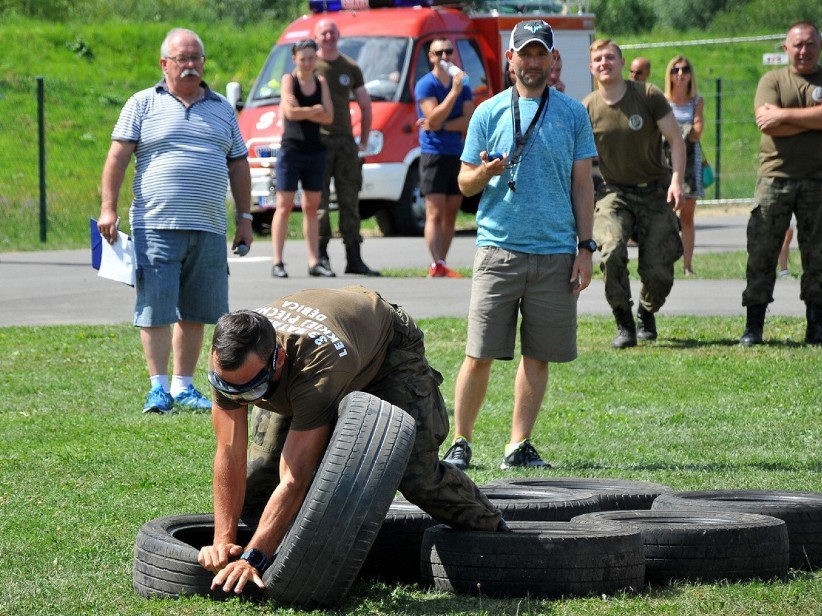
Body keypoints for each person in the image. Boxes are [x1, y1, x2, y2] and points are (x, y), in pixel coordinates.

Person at [197, 286, 506, 593]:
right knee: (261, 474)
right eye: (229, 388)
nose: (239, 398)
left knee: (415, 473)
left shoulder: (317, 370)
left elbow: (295, 478)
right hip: (328, 340)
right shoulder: (232, 360)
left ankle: (492, 527)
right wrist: (223, 541)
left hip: (386, 349)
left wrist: (253, 558)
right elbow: (229, 453)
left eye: (250, 392)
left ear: (277, 360)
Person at [441, 20, 596, 471]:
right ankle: (460, 442)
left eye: (539, 54)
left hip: (555, 252)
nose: (532, 62)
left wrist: (585, 248)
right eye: (523, 54)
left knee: (538, 355)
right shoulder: (487, 112)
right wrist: (486, 172)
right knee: (479, 353)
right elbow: (464, 183)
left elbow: (583, 185)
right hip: (498, 249)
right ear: (510, 59)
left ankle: (518, 445)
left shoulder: (572, 113)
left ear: (552, 60)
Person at [97, 28, 252, 414]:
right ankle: (158, 389)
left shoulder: (221, 109)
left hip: (210, 226)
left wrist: (245, 218)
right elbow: (117, 157)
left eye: (196, 58)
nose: (190, 65)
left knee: (198, 310)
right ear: (164, 64)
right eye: (182, 59)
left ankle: (184, 386)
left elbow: (239, 165)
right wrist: (108, 207)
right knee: (155, 307)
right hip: (155, 224)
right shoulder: (142, 104)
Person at [741, 21, 822, 347]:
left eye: (810, 44)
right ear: (785, 47)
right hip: (774, 179)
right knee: (762, 250)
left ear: (821, 46)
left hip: (819, 179)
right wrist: (814, 120)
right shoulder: (772, 80)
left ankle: (817, 325)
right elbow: (766, 123)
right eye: (797, 44)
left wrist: (785, 117)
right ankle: (754, 325)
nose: (804, 50)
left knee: (817, 254)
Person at [583, 39, 686, 349]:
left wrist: (677, 180)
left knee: (659, 270)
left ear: (622, 61)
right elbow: (577, 160)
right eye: (598, 59)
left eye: (610, 57)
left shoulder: (648, 95)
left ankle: (646, 310)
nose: (605, 63)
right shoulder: (587, 108)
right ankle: (624, 322)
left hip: (655, 189)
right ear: (591, 67)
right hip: (614, 193)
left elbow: (676, 140)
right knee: (611, 249)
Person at [313, 19, 380, 277]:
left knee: (349, 200)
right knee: (319, 202)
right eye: (323, 33)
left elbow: (365, 104)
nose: (328, 36)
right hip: (318, 142)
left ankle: (354, 257)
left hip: (344, 142)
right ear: (316, 37)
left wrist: (362, 140)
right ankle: (321, 256)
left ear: (338, 35)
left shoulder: (349, 67)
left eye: (332, 32)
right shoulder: (309, 65)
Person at [270, 39, 334, 279]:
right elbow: (290, 113)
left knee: (311, 206)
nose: (307, 63)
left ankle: (314, 261)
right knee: (284, 205)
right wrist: (315, 109)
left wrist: (306, 111)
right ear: (295, 58)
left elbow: (329, 117)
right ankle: (277, 261)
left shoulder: (321, 81)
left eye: (311, 58)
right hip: (291, 149)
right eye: (303, 58)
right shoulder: (290, 80)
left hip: (315, 150)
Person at [415, 38, 474, 278]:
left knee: (451, 212)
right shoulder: (426, 85)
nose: (445, 56)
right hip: (433, 154)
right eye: (439, 52)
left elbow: (468, 120)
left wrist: (440, 124)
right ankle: (435, 262)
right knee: (435, 212)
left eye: (449, 51)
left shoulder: (464, 83)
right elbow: (433, 115)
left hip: (455, 153)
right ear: (430, 57)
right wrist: (454, 93)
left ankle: (442, 262)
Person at [663, 55, 705, 276]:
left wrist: (674, 133)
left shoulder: (696, 101)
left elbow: (697, 134)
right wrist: (683, 131)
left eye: (685, 69)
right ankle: (665, 263)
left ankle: (687, 266)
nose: (680, 74)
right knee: (666, 217)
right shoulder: (662, 101)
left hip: (690, 164)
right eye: (675, 70)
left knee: (687, 217)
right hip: (665, 163)